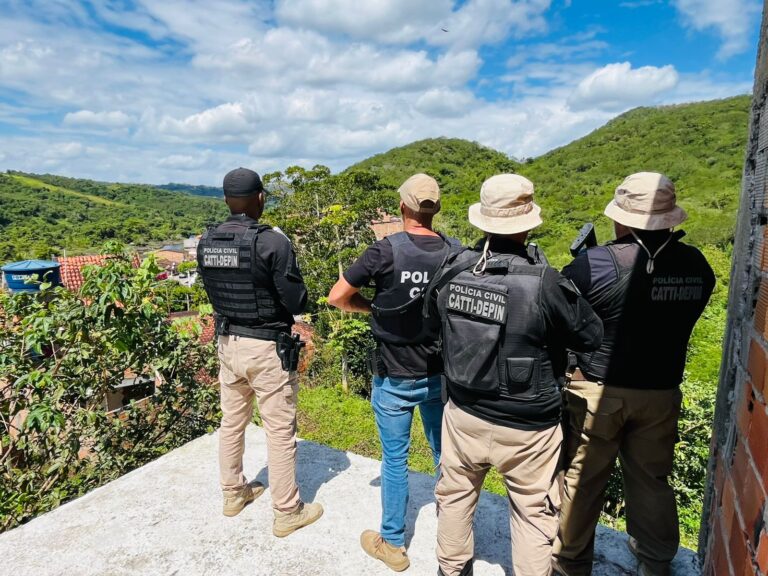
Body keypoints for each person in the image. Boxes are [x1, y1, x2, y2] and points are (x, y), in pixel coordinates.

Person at [429, 174, 603, 576]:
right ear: (527, 224)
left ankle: (451, 570)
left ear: (483, 221)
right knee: (532, 513)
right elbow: (591, 335)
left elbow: (432, 323)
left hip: (464, 412)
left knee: (454, 496)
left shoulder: (455, 269)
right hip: (528, 427)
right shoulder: (545, 281)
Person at [552, 172, 716, 576]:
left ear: (622, 218)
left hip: (597, 391)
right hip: (660, 391)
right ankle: (656, 560)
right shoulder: (697, 265)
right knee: (651, 478)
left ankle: (570, 562)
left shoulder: (592, 264)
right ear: (670, 219)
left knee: (583, 478)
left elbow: (561, 323)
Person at [328, 173, 460, 572]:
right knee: (445, 457)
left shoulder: (384, 251)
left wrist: (374, 309)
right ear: (435, 210)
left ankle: (393, 543)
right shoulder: (456, 253)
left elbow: (338, 296)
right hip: (439, 373)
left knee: (395, 460)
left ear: (403, 206)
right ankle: (452, 533)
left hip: (394, 375)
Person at [197, 167, 323, 537]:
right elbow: (297, 299)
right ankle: (287, 512)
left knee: (231, 421)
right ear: (260, 198)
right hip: (266, 347)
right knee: (280, 430)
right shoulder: (272, 242)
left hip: (226, 343)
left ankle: (234, 493)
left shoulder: (207, 241)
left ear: (225, 199)